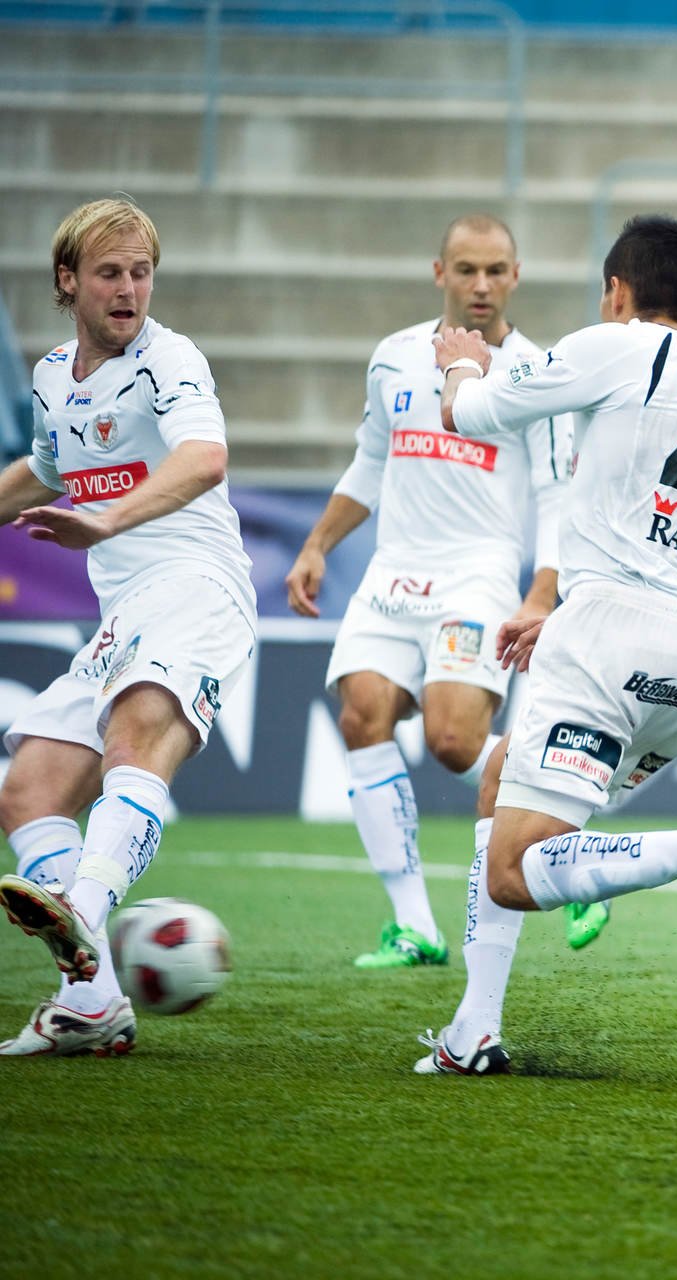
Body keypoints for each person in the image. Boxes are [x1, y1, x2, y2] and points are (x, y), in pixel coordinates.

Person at [412, 214, 677, 1076]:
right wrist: (575, 610)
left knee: (515, 869)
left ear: (618, 293)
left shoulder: (616, 345)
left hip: (613, 638)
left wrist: (459, 359)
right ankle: (473, 1030)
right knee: (503, 778)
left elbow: (472, 413)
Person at [283, 214, 598, 967]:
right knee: (362, 717)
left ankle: (566, 831)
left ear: (515, 276)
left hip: (476, 576)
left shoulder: (535, 371)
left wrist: (539, 594)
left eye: (495, 270)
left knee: (453, 743)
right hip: (394, 573)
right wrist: (317, 545)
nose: (481, 285)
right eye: (466, 270)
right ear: (439, 273)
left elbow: (557, 497)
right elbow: (370, 465)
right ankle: (414, 925)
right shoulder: (393, 357)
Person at [0, 197, 257, 1056]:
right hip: (125, 617)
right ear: (67, 281)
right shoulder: (49, 375)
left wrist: (109, 523)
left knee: (136, 734)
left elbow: (204, 456)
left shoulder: (168, 359)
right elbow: (46, 467)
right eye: (110, 273)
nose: (129, 290)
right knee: (29, 789)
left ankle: (86, 904)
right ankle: (94, 1002)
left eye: (141, 272)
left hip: (197, 587)